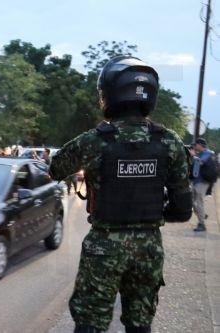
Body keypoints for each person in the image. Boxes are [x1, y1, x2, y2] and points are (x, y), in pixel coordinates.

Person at [49, 56, 192, 333]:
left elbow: (56, 168)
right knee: (140, 323)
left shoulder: (95, 141)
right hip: (149, 248)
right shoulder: (169, 141)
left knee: (90, 323)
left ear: (109, 94)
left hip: (104, 247)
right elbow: (183, 209)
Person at [189, 138, 215, 232]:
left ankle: (202, 224)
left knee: (199, 202)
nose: (194, 146)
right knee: (191, 202)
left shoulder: (207, 153)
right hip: (196, 181)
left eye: (196, 145)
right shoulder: (200, 153)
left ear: (200, 145)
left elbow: (200, 162)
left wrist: (193, 155)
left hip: (203, 182)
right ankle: (202, 215)